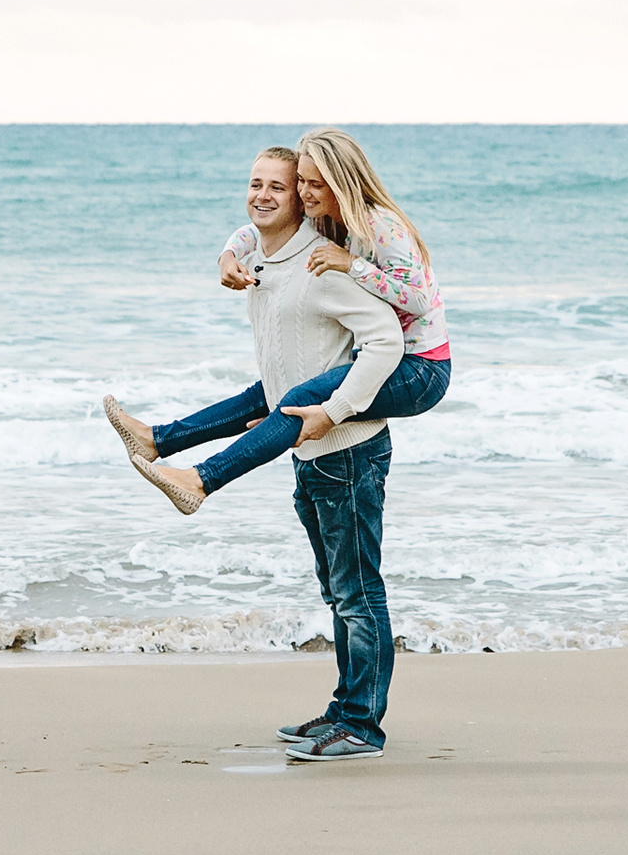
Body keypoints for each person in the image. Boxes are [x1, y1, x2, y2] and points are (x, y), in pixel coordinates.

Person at [109, 145, 406, 760]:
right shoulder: (260, 260)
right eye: (256, 183)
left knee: (357, 592)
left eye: (280, 186)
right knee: (336, 591)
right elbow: (248, 246)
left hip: (347, 451)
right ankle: (344, 711)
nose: (264, 194)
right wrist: (228, 255)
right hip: (307, 456)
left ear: (303, 198)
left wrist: (337, 409)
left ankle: (363, 726)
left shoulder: (320, 268)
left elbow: (385, 340)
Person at [103, 131, 451, 509]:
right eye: (301, 181)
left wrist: (353, 266)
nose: (304, 192)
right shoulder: (325, 220)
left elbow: (418, 299)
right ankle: (158, 440)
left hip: (420, 368)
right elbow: (254, 229)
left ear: (342, 183)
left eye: (315, 184)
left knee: (296, 399)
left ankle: (201, 480)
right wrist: (228, 254)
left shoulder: (380, 225)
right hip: (383, 355)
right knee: (265, 392)